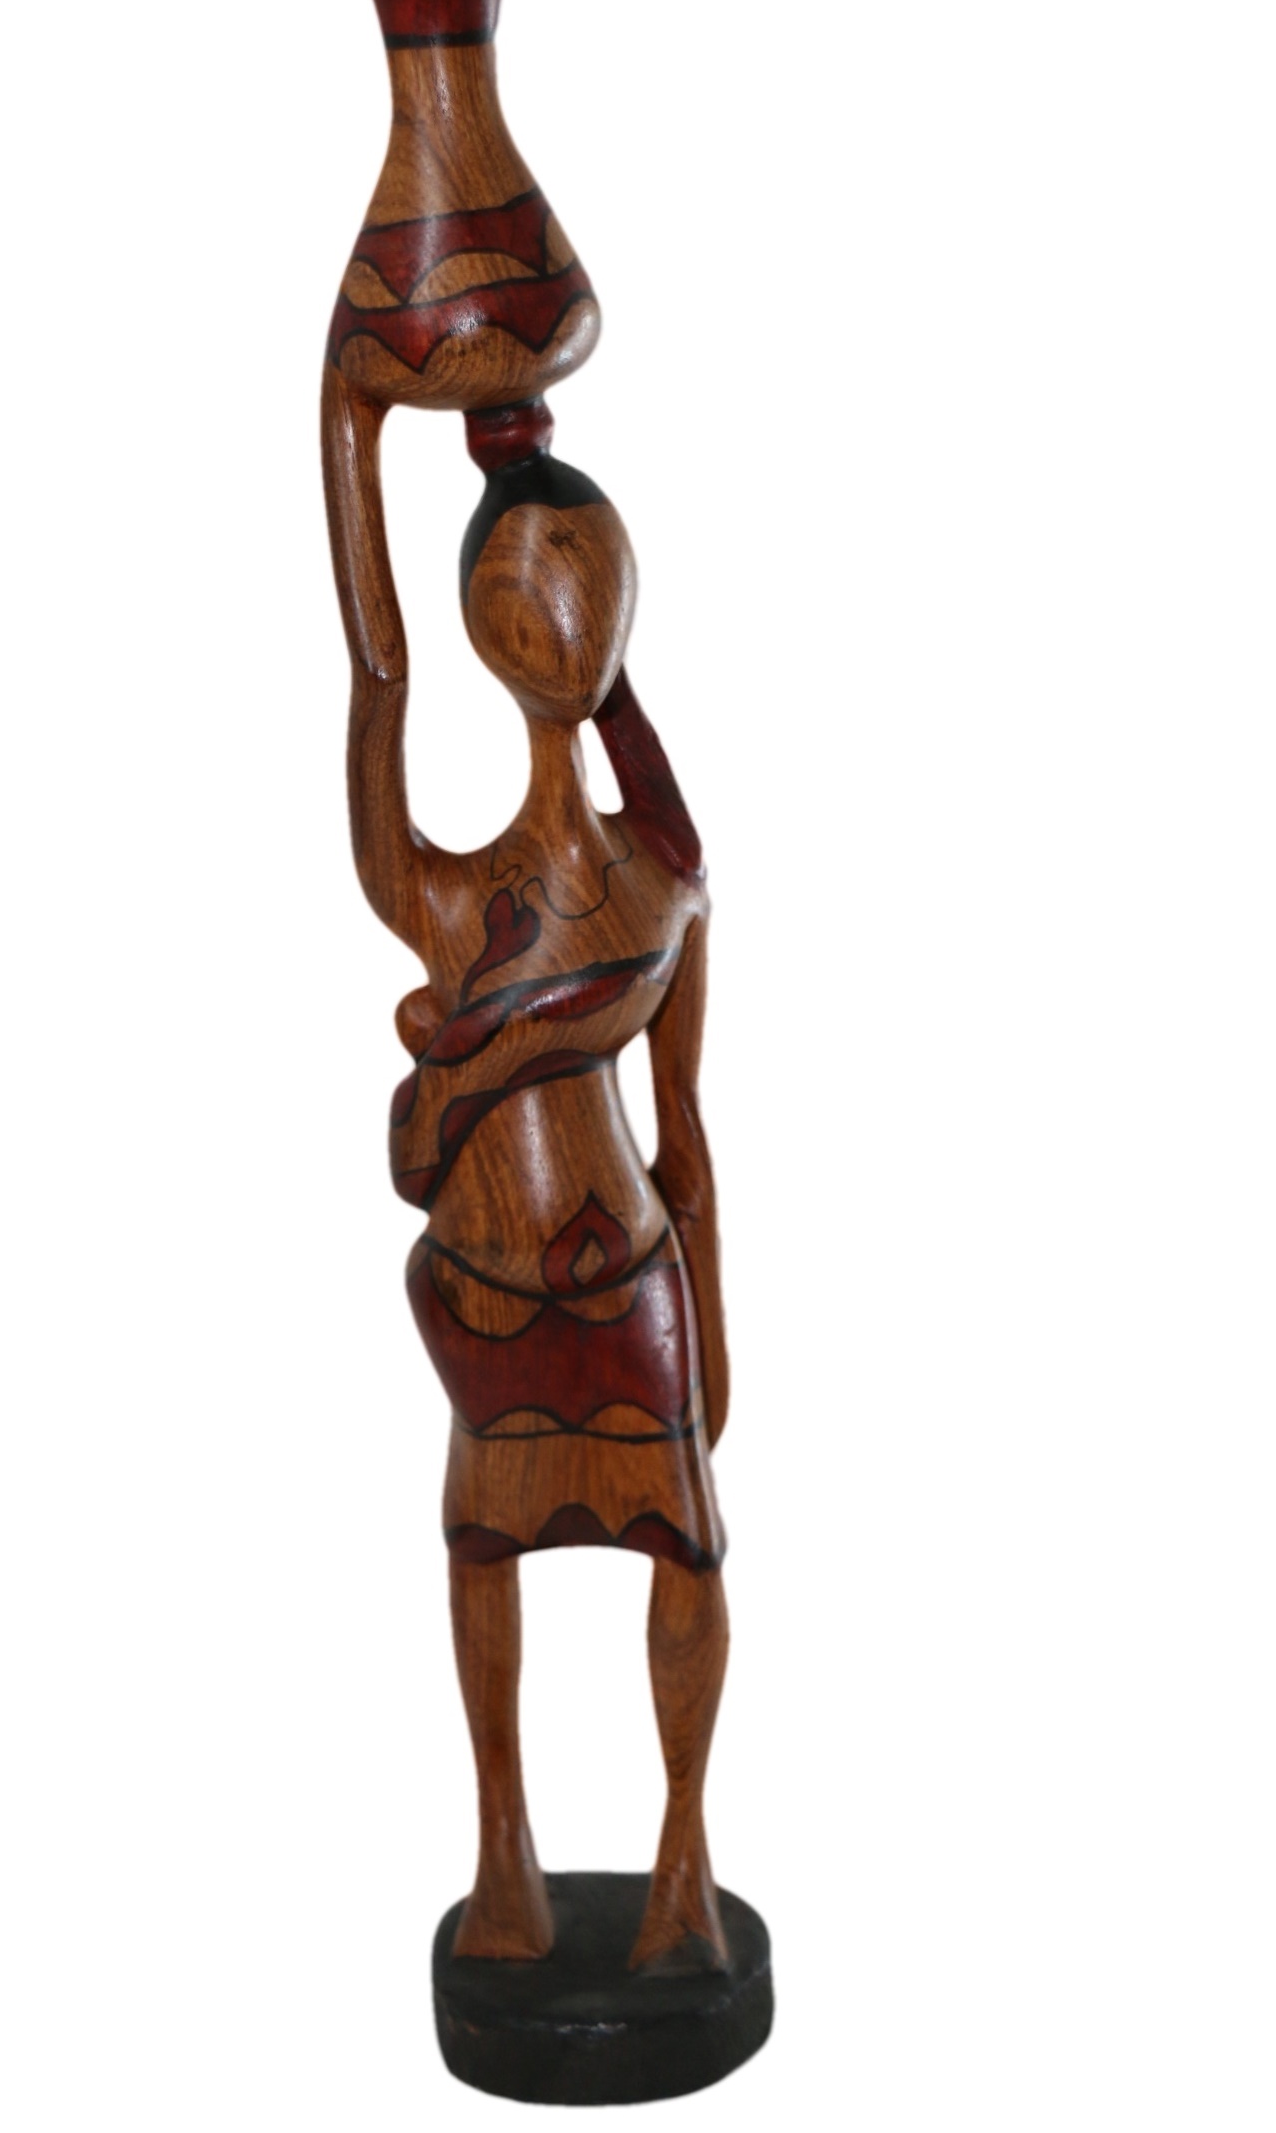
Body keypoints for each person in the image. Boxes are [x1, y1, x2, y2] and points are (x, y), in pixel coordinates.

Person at [322, 379, 732, 1971]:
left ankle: (684, 1855)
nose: (560, 607)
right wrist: (350, 435)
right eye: (531, 580)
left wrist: (718, 1319)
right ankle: (505, 1847)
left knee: (683, 1545)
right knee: (482, 1543)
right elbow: (374, 674)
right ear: (489, 624)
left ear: (619, 603)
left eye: (582, 573)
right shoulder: (453, 898)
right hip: (490, 1293)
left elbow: (684, 1130)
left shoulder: (661, 886)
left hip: (628, 1285)